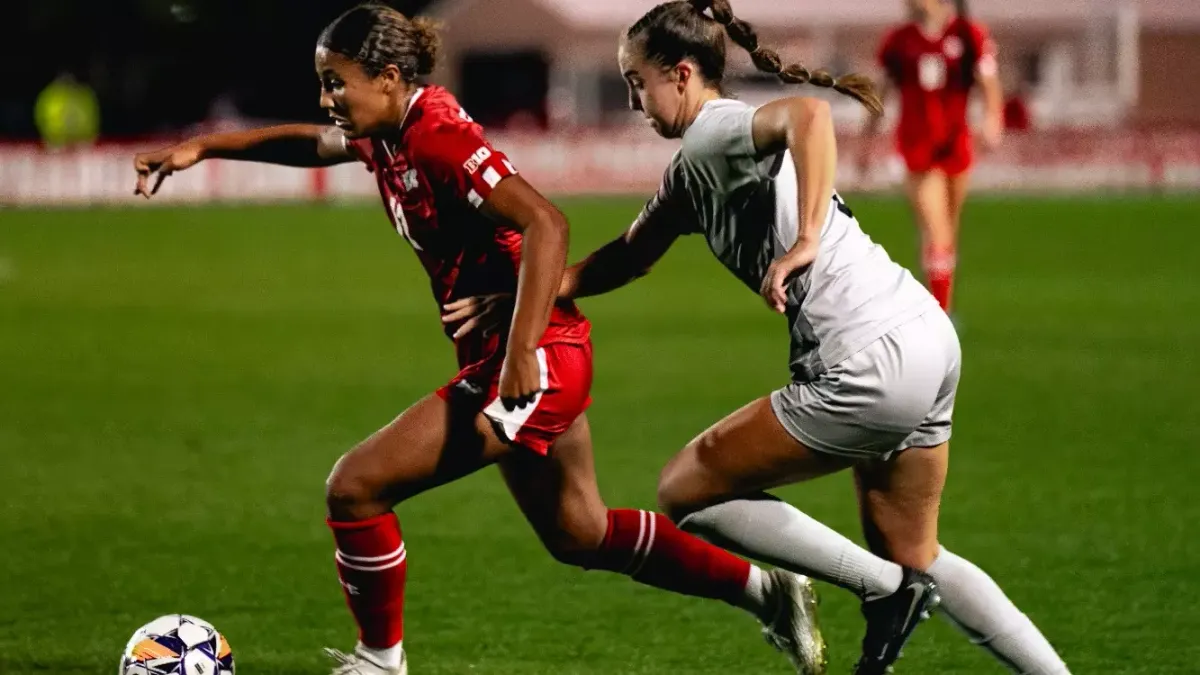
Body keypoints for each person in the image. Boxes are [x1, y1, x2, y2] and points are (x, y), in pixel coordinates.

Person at [130, 4, 825, 675]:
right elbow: (311, 144)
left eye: (335, 81)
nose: (327, 96)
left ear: (390, 78)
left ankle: (379, 661)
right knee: (578, 532)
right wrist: (204, 146)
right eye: (323, 81)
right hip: (531, 351)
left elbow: (546, 224)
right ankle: (767, 591)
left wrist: (521, 353)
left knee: (356, 486)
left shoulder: (436, 136)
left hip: (536, 357)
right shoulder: (388, 129)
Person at [446, 1, 1070, 673]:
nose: (633, 101)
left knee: (687, 488)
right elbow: (627, 256)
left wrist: (804, 239)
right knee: (917, 549)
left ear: (682, 74)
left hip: (864, 356)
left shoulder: (714, 133)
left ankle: (885, 593)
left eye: (637, 83)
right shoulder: (692, 172)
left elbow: (811, 116)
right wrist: (524, 296)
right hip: (924, 336)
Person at [861, 0, 1004, 313]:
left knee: (946, 234)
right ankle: (941, 315)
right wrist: (867, 141)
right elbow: (879, 93)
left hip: (956, 145)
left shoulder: (968, 35)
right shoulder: (898, 41)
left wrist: (993, 118)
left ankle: (939, 302)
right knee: (937, 231)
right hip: (917, 147)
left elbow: (988, 83)